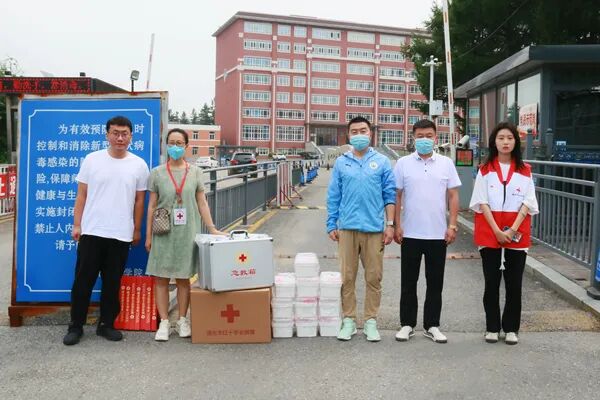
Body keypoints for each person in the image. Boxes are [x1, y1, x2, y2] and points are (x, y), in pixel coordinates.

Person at [63, 116, 149, 346]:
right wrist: (77, 224)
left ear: (131, 136)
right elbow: (81, 195)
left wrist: (136, 229)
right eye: (115, 133)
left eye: (124, 133)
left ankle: (106, 324)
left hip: (121, 233)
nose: (120, 138)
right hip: (92, 231)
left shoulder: (139, 165)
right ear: (107, 135)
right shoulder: (92, 160)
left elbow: (140, 201)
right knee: (83, 281)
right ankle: (76, 326)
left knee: (112, 283)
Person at [145, 128, 225, 341]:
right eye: (171, 142)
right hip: (163, 231)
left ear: (187, 146)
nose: (175, 147)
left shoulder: (196, 172)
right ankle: (164, 322)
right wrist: (148, 236)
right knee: (161, 278)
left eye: (179, 143)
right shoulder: (157, 173)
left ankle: (182, 320)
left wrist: (212, 228)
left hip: (187, 232)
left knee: (183, 278)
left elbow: (202, 202)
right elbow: (151, 206)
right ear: (166, 145)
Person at [326, 116, 396, 342]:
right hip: (347, 228)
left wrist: (390, 225)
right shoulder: (341, 162)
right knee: (347, 277)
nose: (359, 135)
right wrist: (331, 222)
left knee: (374, 277)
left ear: (370, 133)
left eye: (363, 130)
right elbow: (334, 195)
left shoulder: (382, 162)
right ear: (348, 135)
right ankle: (348, 320)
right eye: (354, 132)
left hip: (373, 229)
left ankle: (370, 321)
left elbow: (389, 195)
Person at [469, 122, 539, 345]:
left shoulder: (525, 170)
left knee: (514, 284)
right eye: (501, 138)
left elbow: (528, 202)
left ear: (516, 142)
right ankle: (492, 327)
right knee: (491, 283)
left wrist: (512, 230)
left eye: (509, 138)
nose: (505, 142)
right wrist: (498, 231)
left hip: (517, 234)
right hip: (490, 232)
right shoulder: (485, 170)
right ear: (494, 142)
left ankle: (511, 328)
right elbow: (481, 202)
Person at [393, 119, 461, 344]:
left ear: (436, 138)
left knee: (435, 283)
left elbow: (453, 196)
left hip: (437, 234)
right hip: (410, 233)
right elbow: (397, 195)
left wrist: (452, 225)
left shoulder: (446, 163)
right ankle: (407, 324)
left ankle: (432, 325)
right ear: (413, 138)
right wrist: (396, 225)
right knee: (408, 282)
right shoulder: (403, 163)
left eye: (429, 136)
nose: (424, 139)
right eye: (420, 136)